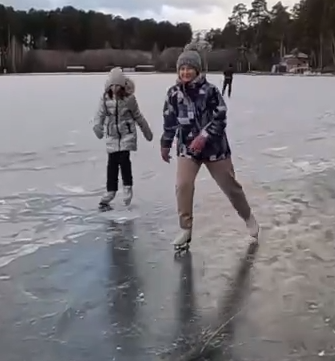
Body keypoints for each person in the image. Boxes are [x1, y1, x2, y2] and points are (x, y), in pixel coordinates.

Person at [160, 49, 259, 249]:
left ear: (197, 70)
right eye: (182, 68)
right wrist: (165, 143)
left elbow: (220, 117)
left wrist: (204, 136)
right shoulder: (173, 93)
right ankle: (186, 230)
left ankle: (248, 217)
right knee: (183, 185)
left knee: (230, 187)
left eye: (189, 68)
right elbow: (169, 121)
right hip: (188, 148)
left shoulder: (211, 91)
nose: (185, 72)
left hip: (215, 149)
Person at [92, 68, 154, 208]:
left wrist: (146, 131)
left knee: (124, 160)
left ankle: (127, 187)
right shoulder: (105, 98)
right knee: (112, 163)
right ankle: (111, 190)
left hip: (127, 134)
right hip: (112, 135)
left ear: (122, 86)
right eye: (111, 85)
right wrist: (98, 126)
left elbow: (138, 116)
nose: (114, 88)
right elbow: (100, 114)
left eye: (117, 85)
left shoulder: (129, 99)